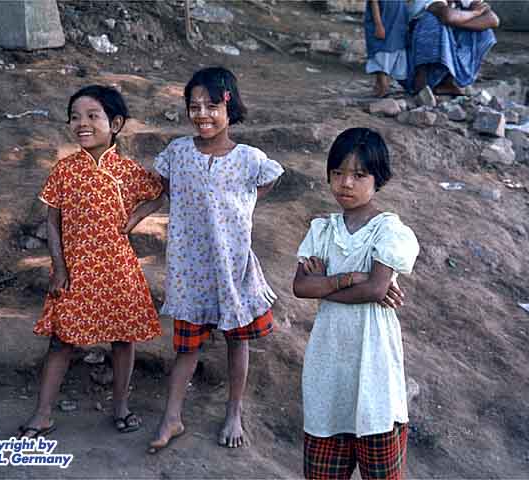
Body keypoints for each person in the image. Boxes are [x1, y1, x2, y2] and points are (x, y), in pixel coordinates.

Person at [148, 66, 284, 453]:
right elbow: (167, 187)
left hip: (232, 267)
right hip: (190, 270)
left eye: (211, 106)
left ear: (229, 107)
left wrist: (241, 206)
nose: (202, 115)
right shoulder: (178, 153)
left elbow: (267, 181)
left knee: (237, 343)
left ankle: (234, 411)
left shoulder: (249, 159)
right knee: (186, 347)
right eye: (194, 107)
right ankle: (171, 417)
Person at [18, 85, 165, 438]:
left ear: (115, 123)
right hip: (74, 270)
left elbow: (161, 193)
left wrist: (135, 218)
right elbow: (52, 222)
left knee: (123, 338)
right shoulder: (64, 170)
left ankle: (121, 406)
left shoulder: (128, 171)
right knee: (60, 339)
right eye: (74, 117)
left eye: (92, 116)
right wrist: (59, 267)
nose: (81, 123)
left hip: (117, 269)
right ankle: (42, 414)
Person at [293, 128, 420, 479]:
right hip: (329, 363)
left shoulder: (388, 231)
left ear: (379, 179)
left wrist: (325, 286)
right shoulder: (322, 230)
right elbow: (300, 286)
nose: (346, 183)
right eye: (338, 173)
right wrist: (351, 278)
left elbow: (376, 289)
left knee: (380, 462)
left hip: (374, 365)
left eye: (359, 175)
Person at [407, 0, 499, 95]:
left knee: (484, 32)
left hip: (449, 35)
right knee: (433, 20)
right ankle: (422, 80)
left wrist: (456, 21)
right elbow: (447, 16)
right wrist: (475, 13)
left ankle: (448, 82)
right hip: (415, 50)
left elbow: (493, 19)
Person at [364, 0, 409, 98]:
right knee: (380, 50)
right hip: (384, 19)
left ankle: (380, 85)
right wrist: (378, 25)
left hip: (398, 19)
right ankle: (383, 87)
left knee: (392, 50)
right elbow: (374, 2)